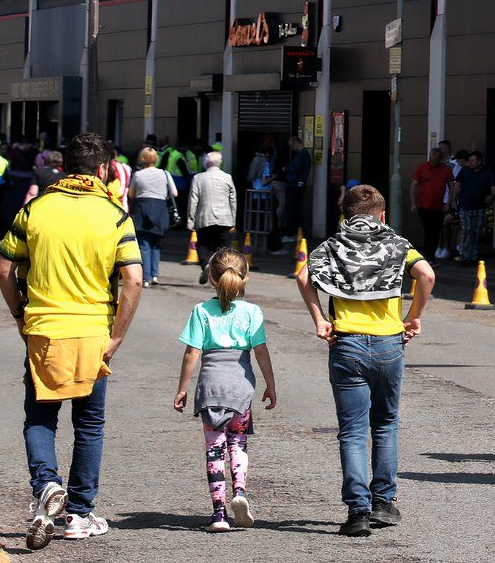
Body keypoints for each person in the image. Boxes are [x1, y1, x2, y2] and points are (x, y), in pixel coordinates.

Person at [0, 132, 145, 550]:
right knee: (89, 424)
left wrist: (21, 316)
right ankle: (80, 513)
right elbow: (133, 278)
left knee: (41, 418)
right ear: (102, 170)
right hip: (94, 331)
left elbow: (4, 270)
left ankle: (46, 484)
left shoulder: (35, 210)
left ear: (63, 168)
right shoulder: (116, 216)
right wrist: (118, 334)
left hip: (44, 329)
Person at [296, 184, 434, 537]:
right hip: (389, 342)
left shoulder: (331, 246)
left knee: (353, 431)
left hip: (347, 344)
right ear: (382, 215)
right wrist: (413, 315)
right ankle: (384, 502)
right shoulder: (398, 244)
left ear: (345, 215)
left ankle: (358, 510)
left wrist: (319, 320)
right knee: (386, 424)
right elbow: (426, 275)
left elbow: (302, 277)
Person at [173, 247, 277, 532]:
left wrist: (182, 389)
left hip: (210, 387)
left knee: (214, 448)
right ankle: (240, 492)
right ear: (245, 277)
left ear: (211, 277)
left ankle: (219, 513)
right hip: (240, 387)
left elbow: (191, 353)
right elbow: (261, 351)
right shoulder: (252, 312)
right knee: (238, 443)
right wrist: (270, 384)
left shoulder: (201, 311)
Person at [130, 148, 178, 288]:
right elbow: (174, 193)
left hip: (143, 209)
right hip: (160, 209)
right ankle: (155, 274)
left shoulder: (138, 175)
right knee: (156, 244)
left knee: (144, 245)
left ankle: (146, 278)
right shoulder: (165, 174)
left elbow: (132, 193)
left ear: (142, 158)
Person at [190, 152, 238, 285]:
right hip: (224, 218)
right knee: (222, 247)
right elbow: (233, 199)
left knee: (203, 244)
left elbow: (193, 199)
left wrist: (190, 219)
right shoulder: (227, 177)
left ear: (206, 164)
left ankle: (206, 264)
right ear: (220, 163)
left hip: (204, 217)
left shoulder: (198, 178)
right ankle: (221, 275)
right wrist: (233, 219)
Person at [409, 146, 455, 260]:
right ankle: (429, 255)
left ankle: (431, 254)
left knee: (436, 230)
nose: (433, 161)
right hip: (423, 205)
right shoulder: (422, 168)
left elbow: (452, 186)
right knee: (429, 230)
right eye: (431, 158)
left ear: (440, 159)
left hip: (439, 206)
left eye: (435, 159)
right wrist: (413, 203)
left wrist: (449, 202)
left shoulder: (446, 170)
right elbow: (414, 185)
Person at [452, 150, 495, 266]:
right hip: (465, 206)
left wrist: (491, 197)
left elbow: (493, 187)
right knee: (466, 230)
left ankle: (473, 256)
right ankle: (464, 257)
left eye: (472, 160)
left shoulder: (486, 173)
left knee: (476, 232)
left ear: (479, 161)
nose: (470, 162)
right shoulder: (465, 171)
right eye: (469, 160)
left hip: (479, 206)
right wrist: (454, 200)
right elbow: (457, 184)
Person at [272, 135, 311, 254]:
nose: (291, 148)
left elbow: (295, 168)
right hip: (299, 184)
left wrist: (285, 169)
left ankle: (291, 233)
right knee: (296, 209)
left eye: (291, 145)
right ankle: (298, 231)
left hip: (296, 185)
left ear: (296, 143)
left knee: (291, 208)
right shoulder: (304, 154)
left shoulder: (302, 154)